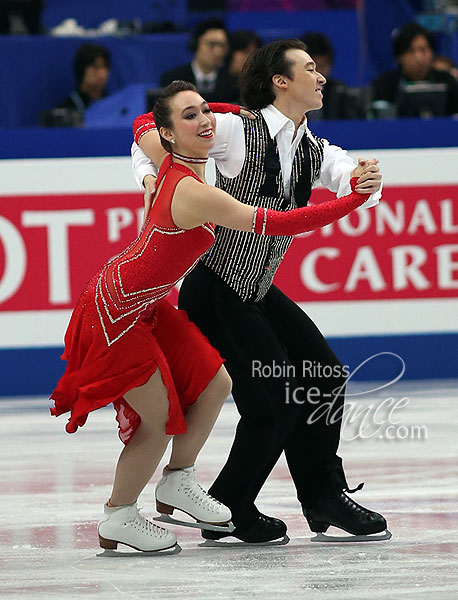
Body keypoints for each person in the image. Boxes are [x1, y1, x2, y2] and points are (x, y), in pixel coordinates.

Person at [50, 79, 373, 553]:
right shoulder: (188, 188)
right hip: (116, 310)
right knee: (157, 420)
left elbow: (151, 125)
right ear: (168, 136)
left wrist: (220, 113)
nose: (205, 121)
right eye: (189, 117)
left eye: (206, 112)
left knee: (215, 384)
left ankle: (178, 480)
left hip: (149, 306)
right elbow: (275, 222)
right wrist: (354, 202)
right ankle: (118, 513)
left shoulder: (188, 169)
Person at [131, 40, 388, 544]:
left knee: (324, 375)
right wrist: (151, 176)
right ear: (281, 81)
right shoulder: (234, 130)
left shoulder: (313, 147)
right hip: (215, 287)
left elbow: (350, 177)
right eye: (311, 69)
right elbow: (146, 130)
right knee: (273, 398)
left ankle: (322, 496)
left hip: (256, 289)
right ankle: (228, 507)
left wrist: (365, 177)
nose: (322, 78)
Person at [372, 22, 458, 116]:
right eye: (411, 51)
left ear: (432, 53)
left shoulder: (447, 82)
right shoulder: (385, 85)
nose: (418, 57)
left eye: (423, 50)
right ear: (399, 57)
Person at [160, 18, 239, 102]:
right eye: (212, 44)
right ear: (196, 44)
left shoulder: (234, 84)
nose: (218, 52)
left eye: (222, 46)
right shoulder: (173, 80)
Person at [301, 31, 364, 120]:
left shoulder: (341, 95)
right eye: (312, 68)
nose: (318, 73)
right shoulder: (287, 96)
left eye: (322, 66)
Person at [55, 43, 111, 117]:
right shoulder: (66, 110)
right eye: (96, 67)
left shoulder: (114, 106)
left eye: (105, 67)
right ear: (82, 69)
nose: (102, 72)